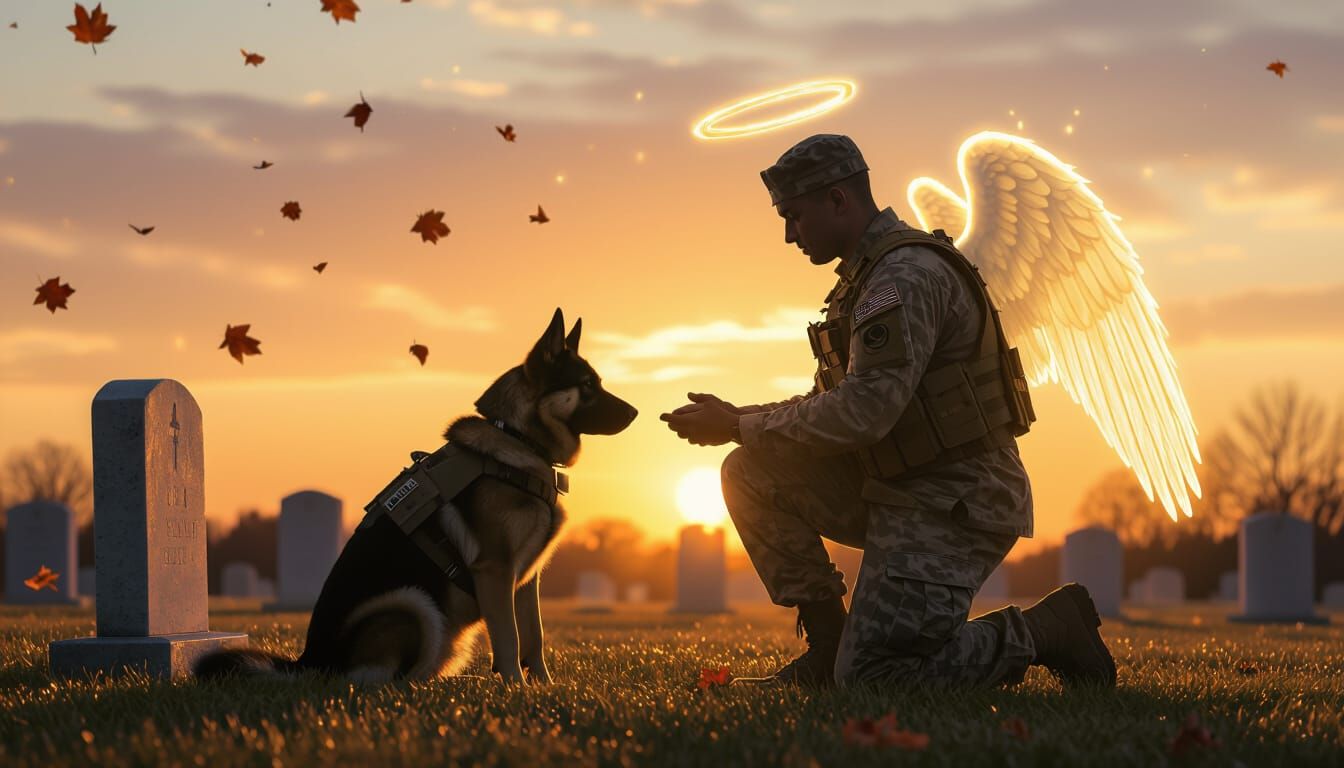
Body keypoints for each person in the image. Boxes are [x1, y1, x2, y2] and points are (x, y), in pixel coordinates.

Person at [660, 134, 1116, 690]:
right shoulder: (869, 278)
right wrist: (742, 422)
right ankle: (828, 649)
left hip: (957, 499)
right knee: (751, 470)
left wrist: (738, 425)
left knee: (876, 678)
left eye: (794, 216)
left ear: (837, 200)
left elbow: (863, 413)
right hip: (900, 484)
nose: (788, 234)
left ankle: (1046, 630)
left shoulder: (903, 277)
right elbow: (832, 404)